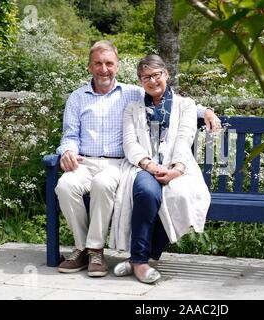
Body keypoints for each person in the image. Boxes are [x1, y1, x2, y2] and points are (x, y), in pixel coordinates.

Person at [54, 40, 219, 277]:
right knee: (64, 186)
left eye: (109, 63)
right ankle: (84, 249)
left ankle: (98, 252)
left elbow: (169, 98)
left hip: (115, 163)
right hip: (84, 161)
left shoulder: (132, 93)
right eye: (98, 64)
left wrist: (207, 112)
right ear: (89, 66)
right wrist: (67, 151)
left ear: (117, 66)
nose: (104, 69)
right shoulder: (77, 97)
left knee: (103, 185)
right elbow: (69, 135)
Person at [110, 54, 211, 284]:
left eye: (156, 75)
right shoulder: (132, 108)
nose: (152, 81)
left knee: (178, 195)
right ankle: (141, 262)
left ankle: (138, 259)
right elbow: (129, 143)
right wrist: (148, 164)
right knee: (147, 192)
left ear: (166, 74)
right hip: (143, 166)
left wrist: (176, 169)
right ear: (140, 81)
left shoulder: (185, 105)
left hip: (178, 167)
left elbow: (185, 138)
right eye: (146, 77)